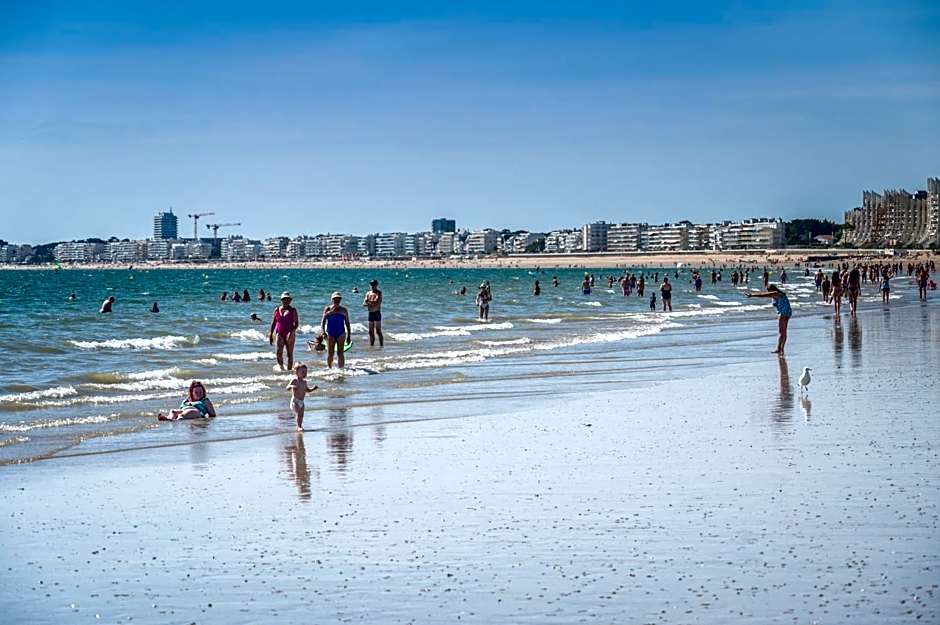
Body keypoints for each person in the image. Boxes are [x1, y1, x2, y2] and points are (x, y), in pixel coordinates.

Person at [746, 284, 792, 354]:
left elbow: (762, 295)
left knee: (781, 332)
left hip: (783, 312)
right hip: (788, 312)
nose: (768, 292)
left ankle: (779, 348)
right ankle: (781, 348)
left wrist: (752, 295)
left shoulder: (775, 293)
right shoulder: (781, 294)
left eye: (768, 291)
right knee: (784, 332)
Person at [269, 292, 299, 371]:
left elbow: (296, 323)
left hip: (290, 333)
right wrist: (271, 334)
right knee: (278, 353)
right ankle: (282, 369)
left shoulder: (293, 310)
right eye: (284, 299)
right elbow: (273, 323)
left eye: (287, 299)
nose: (286, 301)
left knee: (289, 353)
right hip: (279, 333)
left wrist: (292, 331)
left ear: (290, 300)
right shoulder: (277, 310)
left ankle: (289, 370)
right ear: (281, 300)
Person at [321, 292, 352, 369]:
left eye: (338, 298)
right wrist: (323, 332)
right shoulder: (328, 309)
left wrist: (349, 336)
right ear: (332, 299)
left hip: (341, 333)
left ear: (340, 299)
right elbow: (323, 321)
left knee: (340, 353)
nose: (337, 300)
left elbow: (347, 323)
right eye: (335, 299)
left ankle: (341, 369)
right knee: (330, 353)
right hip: (330, 333)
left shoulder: (344, 310)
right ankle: (329, 368)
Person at [286, 363, 318, 431]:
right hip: (295, 401)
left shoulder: (304, 382)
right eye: (303, 372)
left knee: (301, 415)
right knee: (298, 413)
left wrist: (313, 389)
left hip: (301, 402)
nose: (305, 374)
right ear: (296, 372)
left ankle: (299, 425)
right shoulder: (294, 380)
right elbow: (287, 387)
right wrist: (291, 386)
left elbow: (307, 390)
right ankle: (298, 426)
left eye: (306, 372)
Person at [362, 279, 384, 347]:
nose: (372, 286)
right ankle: (372, 345)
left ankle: (381, 345)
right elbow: (364, 303)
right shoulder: (368, 293)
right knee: (370, 332)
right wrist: (370, 302)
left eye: (374, 285)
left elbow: (376, 303)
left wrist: (369, 302)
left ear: (376, 285)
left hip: (377, 312)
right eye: (371, 285)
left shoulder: (379, 293)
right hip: (370, 313)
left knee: (378, 331)